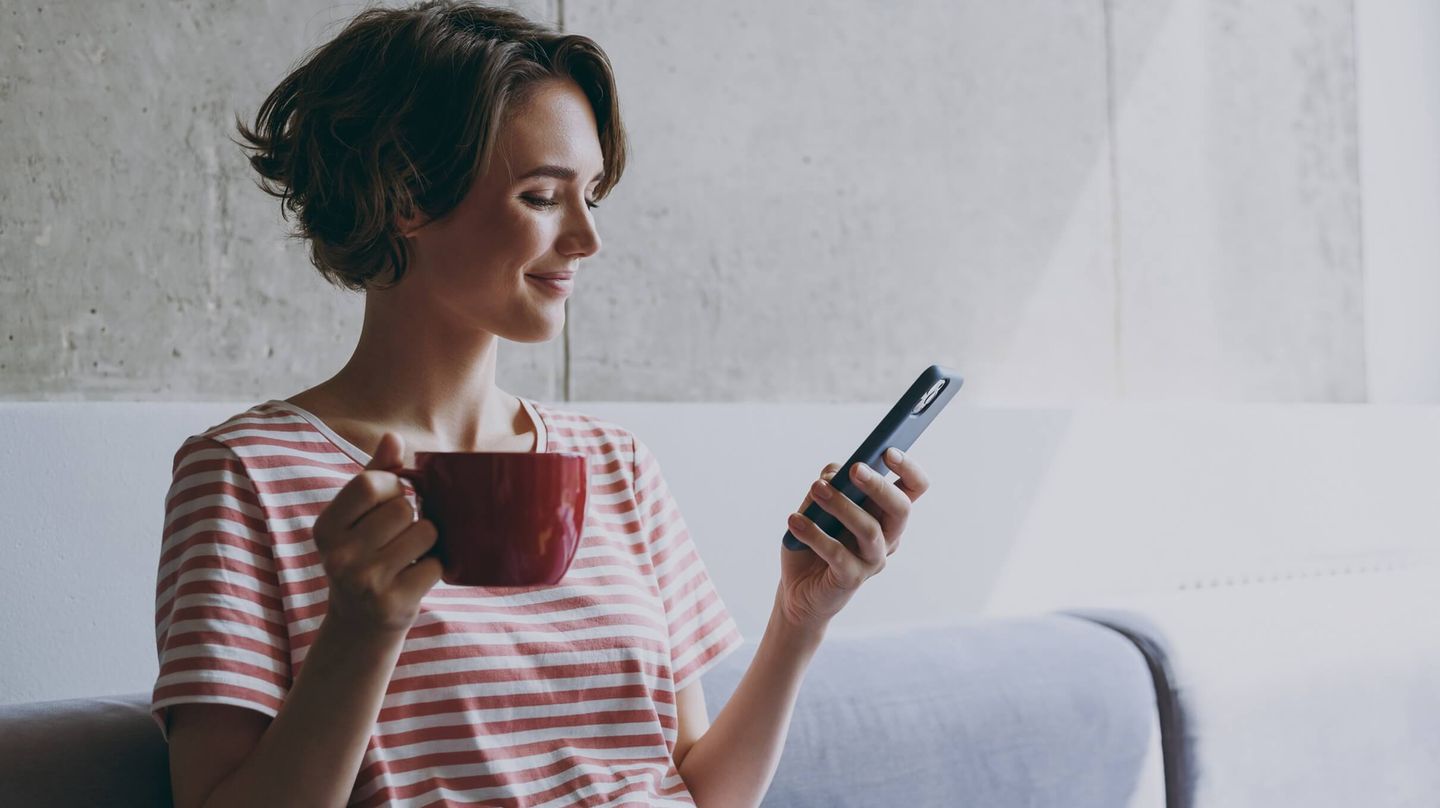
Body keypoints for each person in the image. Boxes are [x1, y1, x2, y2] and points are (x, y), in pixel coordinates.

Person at [151, 3, 930, 806]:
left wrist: (800, 621)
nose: (587, 240)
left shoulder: (615, 464)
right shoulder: (247, 476)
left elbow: (697, 788)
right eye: (542, 196)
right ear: (405, 194)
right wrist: (360, 630)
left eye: (591, 195)